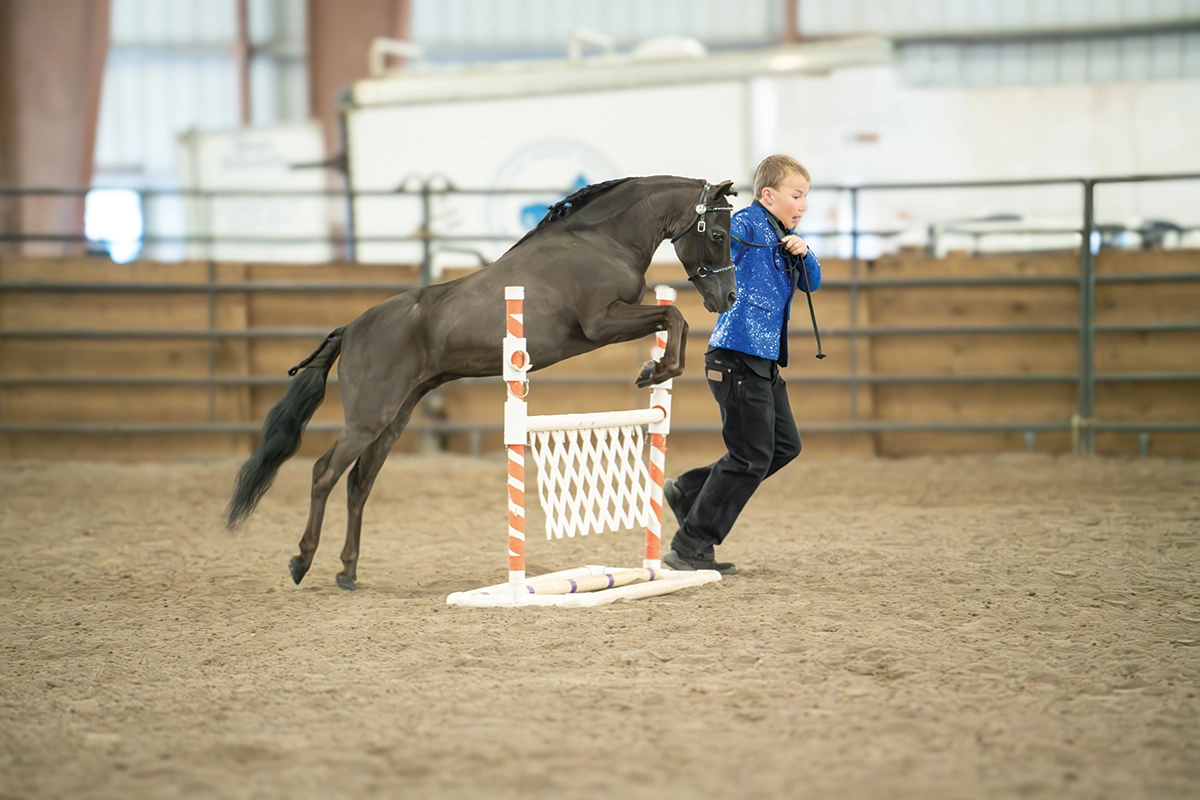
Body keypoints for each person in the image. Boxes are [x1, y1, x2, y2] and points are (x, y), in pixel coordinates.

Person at [662, 154, 822, 575]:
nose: (803, 205)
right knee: (751, 455)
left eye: (805, 197)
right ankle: (691, 544)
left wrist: (804, 254)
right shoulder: (751, 222)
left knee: (782, 447)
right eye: (796, 195)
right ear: (768, 195)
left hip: (761, 361)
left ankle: (690, 490)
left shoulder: (783, 235)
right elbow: (719, 238)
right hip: (737, 355)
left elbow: (813, 282)